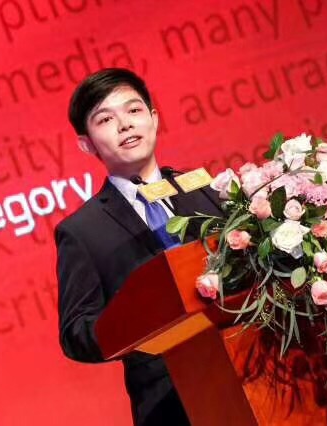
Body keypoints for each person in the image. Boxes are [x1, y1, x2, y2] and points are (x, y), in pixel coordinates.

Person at [55, 68, 222, 426]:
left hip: (248, 365)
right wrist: (143, 315)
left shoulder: (203, 188)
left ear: (154, 118)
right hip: (169, 403)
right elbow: (76, 333)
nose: (125, 125)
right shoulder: (82, 230)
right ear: (86, 144)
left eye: (133, 110)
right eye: (105, 119)